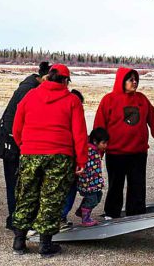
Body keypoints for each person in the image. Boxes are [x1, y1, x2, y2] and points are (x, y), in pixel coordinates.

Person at [11, 64, 87, 257]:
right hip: (59, 156)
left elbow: (17, 124)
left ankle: (19, 241)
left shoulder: (30, 96)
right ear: (65, 80)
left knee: (26, 195)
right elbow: (79, 133)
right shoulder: (72, 101)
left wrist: (25, 145)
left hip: (30, 153)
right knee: (51, 199)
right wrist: (81, 160)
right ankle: (45, 246)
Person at [94, 68, 154, 219]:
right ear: (122, 81)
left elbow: (152, 119)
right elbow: (100, 126)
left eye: (136, 80)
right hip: (115, 152)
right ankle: (112, 213)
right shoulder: (109, 99)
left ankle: (136, 213)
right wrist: (98, 149)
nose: (134, 82)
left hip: (138, 153)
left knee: (137, 186)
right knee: (115, 185)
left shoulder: (142, 99)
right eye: (130, 79)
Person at [0, 61, 50, 230]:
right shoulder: (28, 90)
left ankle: (16, 220)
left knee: (20, 184)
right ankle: (15, 221)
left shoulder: (31, 87)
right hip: (12, 145)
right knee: (15, 183)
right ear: (43, 77)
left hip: (14, 142)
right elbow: (17, 121)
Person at [59, 89, 85, 231]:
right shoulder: (69, 119)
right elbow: (80, 139)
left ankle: (60, 216)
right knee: (68, 190)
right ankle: (60, 217)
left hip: (65, 158)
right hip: (68, 159)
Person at [75, 127, 109, 227]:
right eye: (104, 143)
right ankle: (85, 219)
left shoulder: (95, 150)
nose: (106, 146)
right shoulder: (88, 150)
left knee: (98, 196)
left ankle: (82, 211)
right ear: (95, 141)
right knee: (92, 199)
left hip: (94, 181)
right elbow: (82, 164)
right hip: (88, 182)